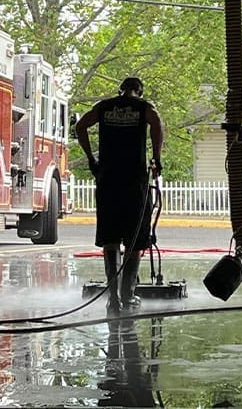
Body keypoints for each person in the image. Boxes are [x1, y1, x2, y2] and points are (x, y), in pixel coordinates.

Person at [75, 77, 164, 313]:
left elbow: (80, 126)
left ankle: (112, 297)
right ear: (139, 91)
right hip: (134, 181)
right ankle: (128, 294)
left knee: (110, 238)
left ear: (120, 91)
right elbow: (156, 123)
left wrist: (91, 159)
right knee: (135, 237)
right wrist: (156, 158)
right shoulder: (144, 107)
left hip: (108, 181)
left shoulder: (104, 107)